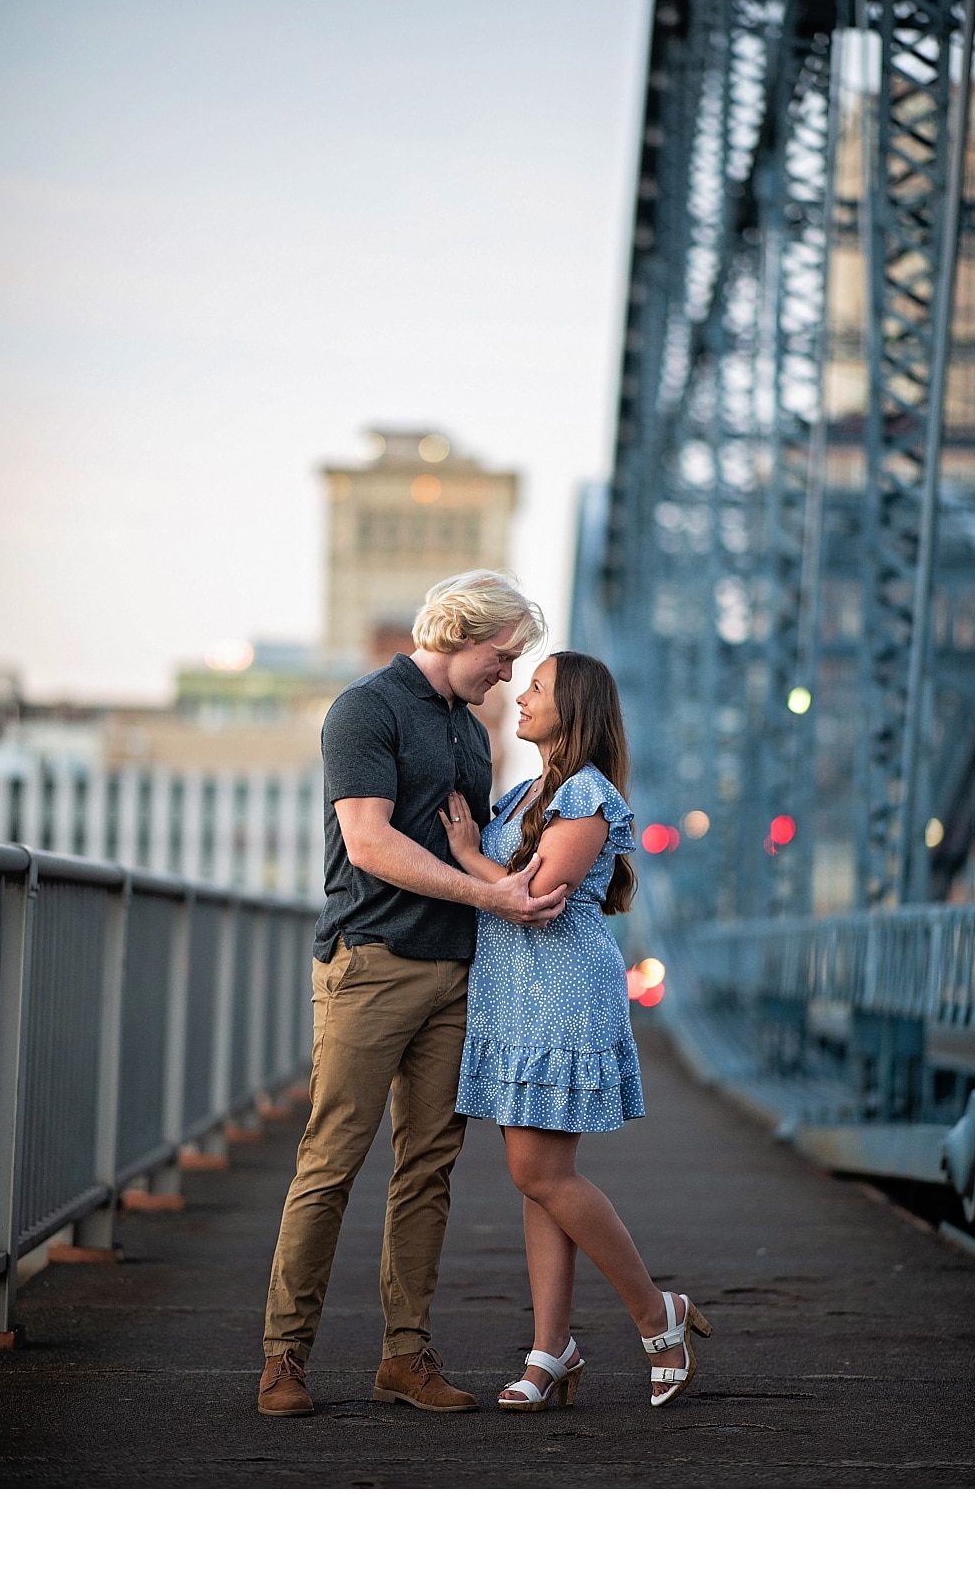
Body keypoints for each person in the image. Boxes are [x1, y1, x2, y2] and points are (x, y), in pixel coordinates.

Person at [259, 571, 563, 1418]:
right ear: (461, 632)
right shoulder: (367, 709)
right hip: (372, 961)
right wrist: (493, 897)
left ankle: (406, 1355)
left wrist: (502, 886)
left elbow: (467, 847)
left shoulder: (472, 733)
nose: (507, 674)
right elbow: (368, 842)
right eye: (502, 657)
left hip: (455, 974)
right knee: (331, 1161)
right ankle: (284, 1357)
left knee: (428, 1169)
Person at [441, 650, 713, 1411]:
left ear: (577, 710)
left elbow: (538, 893)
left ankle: (656, 1317)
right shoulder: (531, 790)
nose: (520, 696)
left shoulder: (586, 796)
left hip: (559, 991)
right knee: (541, 1182)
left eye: (536, 688)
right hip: (514, 992)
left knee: (541, 1175)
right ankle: (549, 1348)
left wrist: (465, 854)